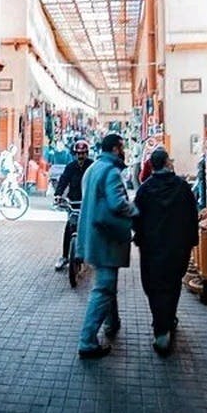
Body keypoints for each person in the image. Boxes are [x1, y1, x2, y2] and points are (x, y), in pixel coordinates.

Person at [133, 148, 198, 355]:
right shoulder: (182, 187)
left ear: (151, 165)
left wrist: (140, 237)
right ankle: (167, 321)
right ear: (168, 163)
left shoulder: (145, 190)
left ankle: (161, 328)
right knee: (172, 285)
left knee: (154, 287)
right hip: (177, 247)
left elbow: (136, 219)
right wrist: (191, 241)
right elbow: (192, 215)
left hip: (152, 249)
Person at [75, 133, 134, 359]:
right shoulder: (111, 172)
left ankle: (113, 322)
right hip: (107, 239)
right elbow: (118, 204)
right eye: (123, 147)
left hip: (93, 235)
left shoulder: (93, 169)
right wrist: (137, 212)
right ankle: (87, 341)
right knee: (104, 287)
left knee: (108, 283)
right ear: (117, 149)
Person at [53, 139, 93, 271]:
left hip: (88, 203)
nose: (80, 156)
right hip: (73, 202)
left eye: (83, 153)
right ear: (74, 154)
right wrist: (58, 195)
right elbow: (63, 180)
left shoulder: (92, 166)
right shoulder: (70, 167)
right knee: (69, 227)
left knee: (93, 227)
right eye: (78, 154)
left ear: (87, 153)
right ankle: (65, 256)